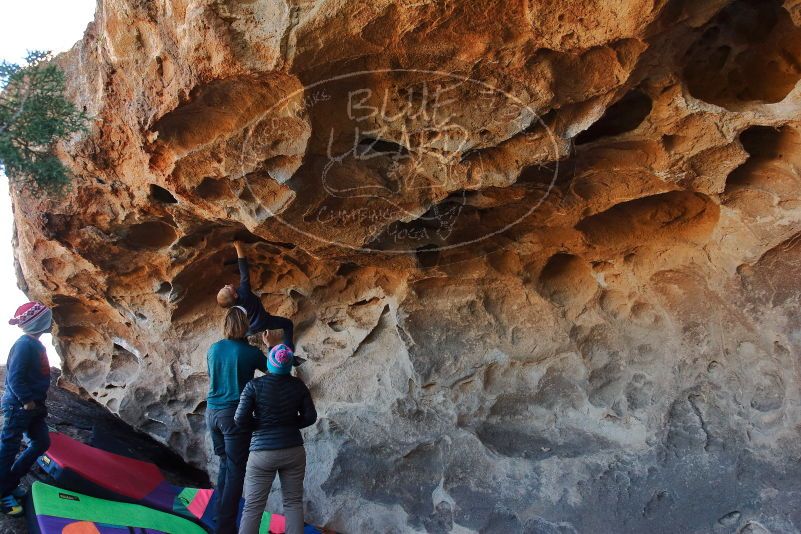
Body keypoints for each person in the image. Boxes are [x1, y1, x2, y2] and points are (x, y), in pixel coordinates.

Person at [235, 342, 317, 534]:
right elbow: (310, 417)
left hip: (262, 452)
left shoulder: (253, 386)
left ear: (270, 363)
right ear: (289, 365)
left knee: (253, 507)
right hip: (293, 450)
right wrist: (287, 425)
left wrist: (262, 426)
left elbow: (240, 419)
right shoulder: (298, 386)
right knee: (293, 502)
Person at [206, 307, 268, 534]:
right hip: (233, 417)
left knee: (225, 464)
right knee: (235, 472)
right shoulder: (250, 353)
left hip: (212, 413)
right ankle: (225, 528)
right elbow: (275, 370)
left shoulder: (213, 349)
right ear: (246, 325)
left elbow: (213, 377)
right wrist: (271, 347)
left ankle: (218, 514)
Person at [0, 301, 53, 516]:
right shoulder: (24, 345)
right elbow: (14, 378)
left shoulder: (35, 344)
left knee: (42, 442)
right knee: (8, 448)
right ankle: (2, 494)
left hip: (33, 407)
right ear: (39, 322)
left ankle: (9, 483)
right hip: (19, 406)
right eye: (48, 318)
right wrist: (26, 400)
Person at [217, 241, 296, 352]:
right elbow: (244, 271)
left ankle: (242, 345)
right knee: (288, 324)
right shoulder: (244, 292)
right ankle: (289, 349)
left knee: (242, 335)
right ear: (235, 295)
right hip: (263, 321)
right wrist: (238, 247)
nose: (226, 285)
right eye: (226, 288)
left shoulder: (232, 307)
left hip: (248, 329)